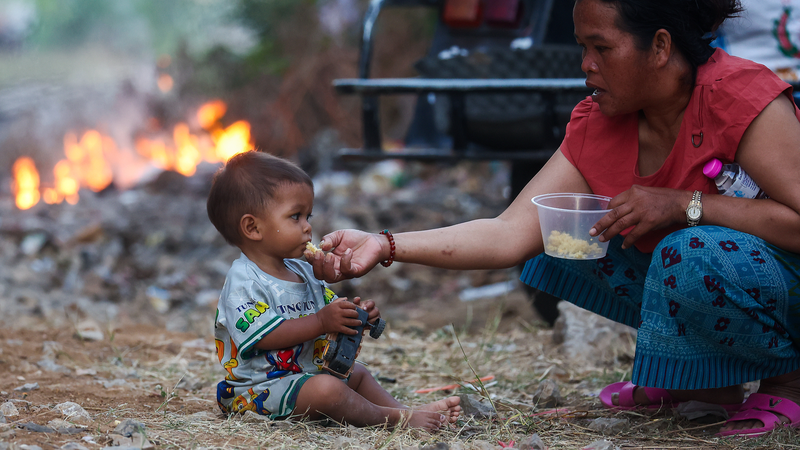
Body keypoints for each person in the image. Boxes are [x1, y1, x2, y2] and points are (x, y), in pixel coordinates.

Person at [306, 0, 800, 438]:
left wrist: (685, 204)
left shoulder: (740, 97)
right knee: (566, 234)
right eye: (582, 46)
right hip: (721, 271)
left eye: (601, 48)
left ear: (660, 46)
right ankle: (707, 383)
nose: (585, 65)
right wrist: (385, 243)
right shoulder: (602, 120)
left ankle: (789, 382)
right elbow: (509, 233)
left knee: (685, 249)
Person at [206, 150, 461, 430]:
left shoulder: (302, 270)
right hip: (259, 391)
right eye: (295, 217)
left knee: (359, 375)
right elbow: (266, 336)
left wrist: (357, 316)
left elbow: (329, 314)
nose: (308, 228)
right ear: (253, 227)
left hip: (309, 376)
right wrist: (321, 321)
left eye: (308, 216)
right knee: (328, 390)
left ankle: (406, 411)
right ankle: (396, 421)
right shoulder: (244, 281)